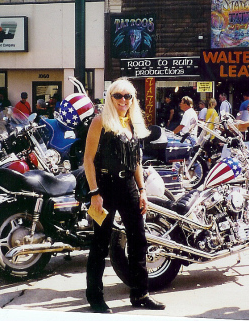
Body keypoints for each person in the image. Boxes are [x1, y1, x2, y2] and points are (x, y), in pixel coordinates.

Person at [83, 78, 165, 313]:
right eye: (118, 96)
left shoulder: (132, 123)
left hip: (128, 185)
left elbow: (136, 161)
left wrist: (142, 191)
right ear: (109, 97)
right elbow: (88, 160)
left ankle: (140, 294)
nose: (123, 100)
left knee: (138, 240)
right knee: (100, 243)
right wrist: (94, 193)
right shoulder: (100, 122)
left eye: (128, 96)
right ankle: (95, 298)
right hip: (105, 187)